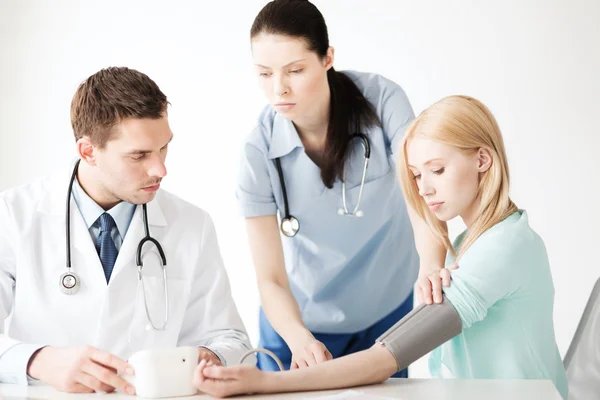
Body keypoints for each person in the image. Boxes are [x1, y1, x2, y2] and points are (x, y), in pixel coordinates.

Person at [193, 95, 569, 400]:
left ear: (482, 159)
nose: (423, 189)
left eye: (437, 170)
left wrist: (261, 382)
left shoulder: (502, 247)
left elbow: (385, 359)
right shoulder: (468, 246)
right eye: (417, 175)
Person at [0, 67, 253, 394]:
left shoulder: (192, 225)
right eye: (139, 155)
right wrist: (37, 360)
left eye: (163, 147)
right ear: (88, 151)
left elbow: (232, 339)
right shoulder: (13, 216)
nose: (161, 169)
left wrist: (211, 356)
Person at [236, 0, 447, 376]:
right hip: (299, 321)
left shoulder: (382, 101)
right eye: (264, 73)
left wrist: (432, 266)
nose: (278, 88)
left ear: (327, 57)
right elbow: (269, 277)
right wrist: (300, 340)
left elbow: (424, 191)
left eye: (295, 70)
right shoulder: (258, 151)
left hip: (387, 308)